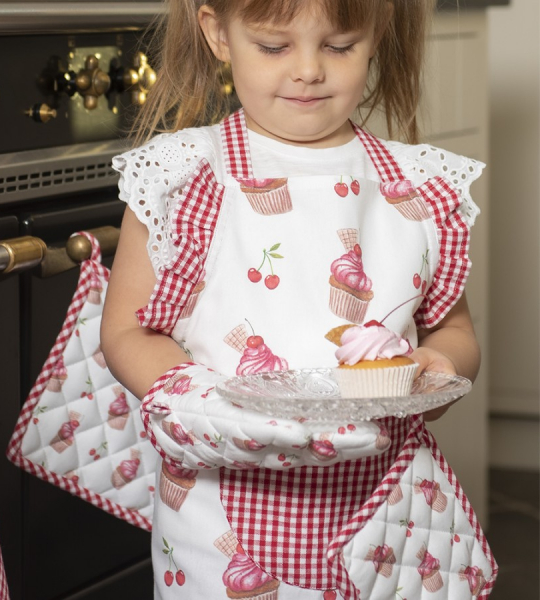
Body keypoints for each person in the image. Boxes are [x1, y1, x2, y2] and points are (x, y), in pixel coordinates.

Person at [101, 0, 497, 598]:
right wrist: (212, 409)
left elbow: (455, 332)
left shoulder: (419, 189)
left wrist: (436, 367)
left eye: (338, 46)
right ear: (218, 34)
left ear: (374, 37)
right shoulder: (188, 178)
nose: (309, 69)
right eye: (273, 46)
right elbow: (130, 333)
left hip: (384, 514)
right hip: (220, 523)